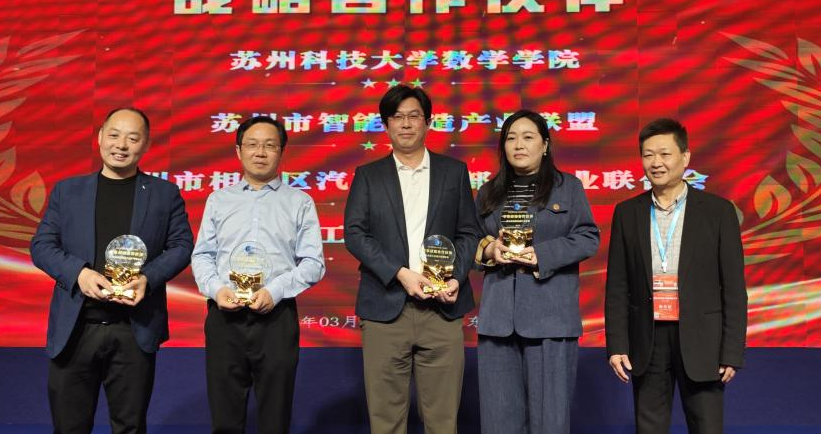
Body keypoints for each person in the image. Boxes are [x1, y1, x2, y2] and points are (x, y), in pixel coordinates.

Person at [30, 107, 193, 434]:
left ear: (145, 144)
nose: (121, 145)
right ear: (100, 137)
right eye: (114, 135)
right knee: (69, 427)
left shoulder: (164, 194)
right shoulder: (68, 191)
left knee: (129, 426)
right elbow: (42, 246)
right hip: (77, 328)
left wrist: (148, 278)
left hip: (133, 328)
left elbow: (181, 246)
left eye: (132, 138)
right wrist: (80, 274)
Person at [344, 85, 482, 434]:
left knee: (443, 420)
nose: (405, 124)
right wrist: (400, 273)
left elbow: (469, 232)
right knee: (386, 420)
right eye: (397, 117)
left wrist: (456, 277)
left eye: (413, 116)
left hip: (442, 309)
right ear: (386, 125)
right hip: (385, 307)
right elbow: (355, 234)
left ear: (428, 122)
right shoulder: (368, 175)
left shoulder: (453, 172)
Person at [604, 118, 747, 434]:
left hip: (703, 341)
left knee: (707, 427)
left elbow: (734, 288)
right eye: (648, 155)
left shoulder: (718, 211)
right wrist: (616, 344)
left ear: (685, 157)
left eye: (665, 154)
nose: (656, 163)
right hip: (647, 338)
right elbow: (617, 286)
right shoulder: (627, 213)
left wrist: (732, 351)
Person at [190, 115, 326, 434]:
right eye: (252, 145)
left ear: (281, 151)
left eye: (269, 145)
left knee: (275, 419)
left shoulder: (300, 202)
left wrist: (275, 291)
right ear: (239, 151)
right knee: (225, 419)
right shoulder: (219, 200)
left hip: (276, 318)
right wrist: (216, 289)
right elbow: (202, 256)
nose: (260, 152)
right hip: (225, 317)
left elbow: (313, 262)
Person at [472, 110, 599, 434]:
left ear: (545, 145)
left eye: (528, 137)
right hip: (498, 322)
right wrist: (489, 250)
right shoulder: (488, 192)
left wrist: (542, 254)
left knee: (549, 422)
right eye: (511, 138)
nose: (519, 145)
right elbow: (469, 241)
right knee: (498, 422)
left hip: (550, 320)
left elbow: (588, 237)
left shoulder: (568, 187)